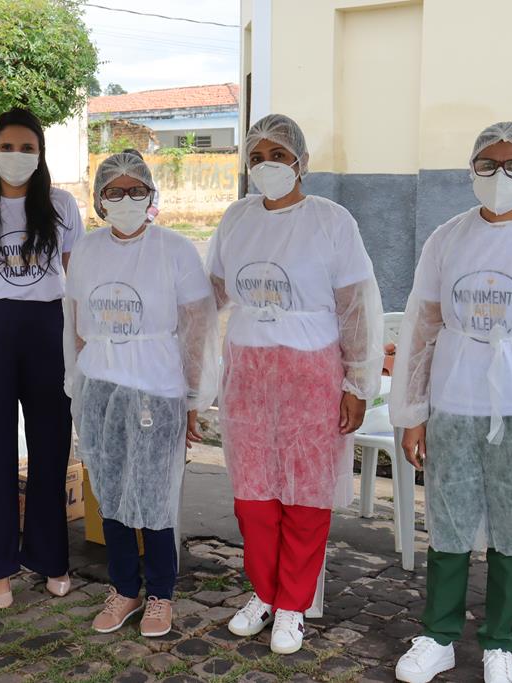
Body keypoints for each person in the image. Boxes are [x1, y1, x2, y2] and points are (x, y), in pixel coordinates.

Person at [390, 122, 512, 683]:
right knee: (447, 521)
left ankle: (501, 641)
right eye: (487, 165)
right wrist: (413, 412)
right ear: (471, 171)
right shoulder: (446, 238)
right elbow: (424, 327)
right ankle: (438, 635)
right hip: (455, 398)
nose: (500, 176)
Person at [207, 114, 383, 654]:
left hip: (312, 374)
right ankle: (262, 593)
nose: (266, 165)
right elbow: (209, 291)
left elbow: (357, 307)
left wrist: (358, 383)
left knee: (305, 494)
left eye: (277, 155)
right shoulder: (236, 220)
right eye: (256, 157)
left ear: (300, 162)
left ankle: (293, 605)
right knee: (254, 495)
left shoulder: (331, 221)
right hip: (248, 376)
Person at [64, 152, 218, 637]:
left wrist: (193, 396)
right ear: (99, 200)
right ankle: (124, 589)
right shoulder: (87, 250)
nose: (126, 199)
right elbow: (75, 324)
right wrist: (78, 386)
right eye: (115, 191)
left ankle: (161, 595)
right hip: (101, 387)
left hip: (157, 388)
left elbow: (197, 326)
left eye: (136, 190)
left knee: (153, 496)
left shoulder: (173, 249)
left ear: (152, 195)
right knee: (109, 494)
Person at [0, 108, 85, 608]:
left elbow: (79, 284)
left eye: (28, 148)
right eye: (8, 147)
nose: (18, 156)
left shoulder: (61, 205)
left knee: (51, 446)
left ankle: (51, 558)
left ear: (41, 155)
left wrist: (81, 346)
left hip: (49, 330)